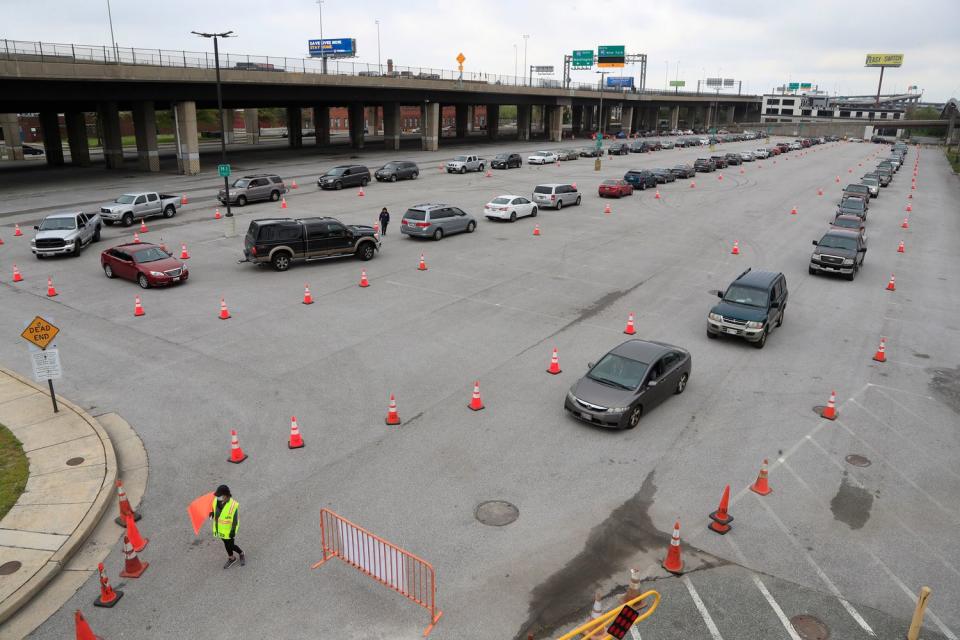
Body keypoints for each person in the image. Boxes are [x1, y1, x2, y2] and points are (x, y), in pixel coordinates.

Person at [210, 485, 244, 568]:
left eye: (220, 496)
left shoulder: (233, 505)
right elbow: (214, 510)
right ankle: (231, 558)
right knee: (226, 543)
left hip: (229, 530)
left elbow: (235, 520)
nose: (218, 497)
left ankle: (241, 553)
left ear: (226, 495)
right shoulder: (216, 501)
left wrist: (232, 530)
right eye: (217, 496)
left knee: (231, 545)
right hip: (220, 529)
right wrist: (212, 513)